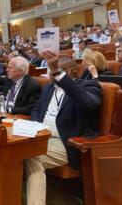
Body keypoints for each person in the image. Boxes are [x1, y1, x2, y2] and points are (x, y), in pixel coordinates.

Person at [25, 52, 102, 205]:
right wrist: (35, 128)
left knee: (32, 156)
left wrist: (58, 74)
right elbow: (36, 109)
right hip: (42, 137)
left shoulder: (89, 85)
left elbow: (89, 103)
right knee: (13, 150)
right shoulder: (48, 88)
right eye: (50, 69)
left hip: (67, 143)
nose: (49, 73)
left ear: (67, 72)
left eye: (54, 69)